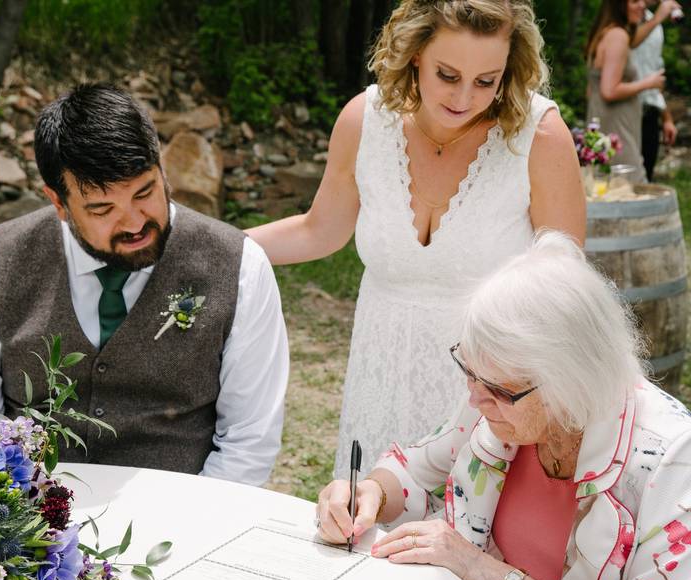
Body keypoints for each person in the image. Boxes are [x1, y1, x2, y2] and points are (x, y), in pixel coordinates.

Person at [315, 231, 691, 580]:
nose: (476, 399)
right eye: (470, 372)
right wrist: (370, 494)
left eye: (498, 389)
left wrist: (481, 570)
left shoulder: (672, 453)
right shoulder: (498, 392)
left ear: (571, 382)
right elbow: (417, 471)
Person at [247, 0, 586, 474]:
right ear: (415, 54)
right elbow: (317, 230)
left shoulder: (539, 136)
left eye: (486, 81)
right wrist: (209, 244)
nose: (464, 97)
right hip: (379, 368)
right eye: (448, 75)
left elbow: (566, 285)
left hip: (485, 388)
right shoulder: (364, 121)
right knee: (364, 522)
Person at [0, 84, 289, 486]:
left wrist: (190, 529)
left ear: (162, 170)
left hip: (184, 517)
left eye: (145, 192)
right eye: (102, 209)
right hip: (27, 523)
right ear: (58, 203)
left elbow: (247, 443)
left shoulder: (240, 267)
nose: (134, 223)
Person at [586, 0, 666, 183]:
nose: (642, 5)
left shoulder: (605, 33)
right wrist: (648, 83)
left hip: (606, 130)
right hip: (617, 134)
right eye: (635, 1)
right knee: (632, 187)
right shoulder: (618, 36)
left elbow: (591, 91)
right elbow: (609, 90)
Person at [629, 0, 681, 182]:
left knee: (646, 175)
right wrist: (659, 16)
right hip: (624, 110)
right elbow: (630, 41)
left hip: (649, 110)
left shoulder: (654, 22)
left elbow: (656, 73)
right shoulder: (622, 18)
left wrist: (666, 117)